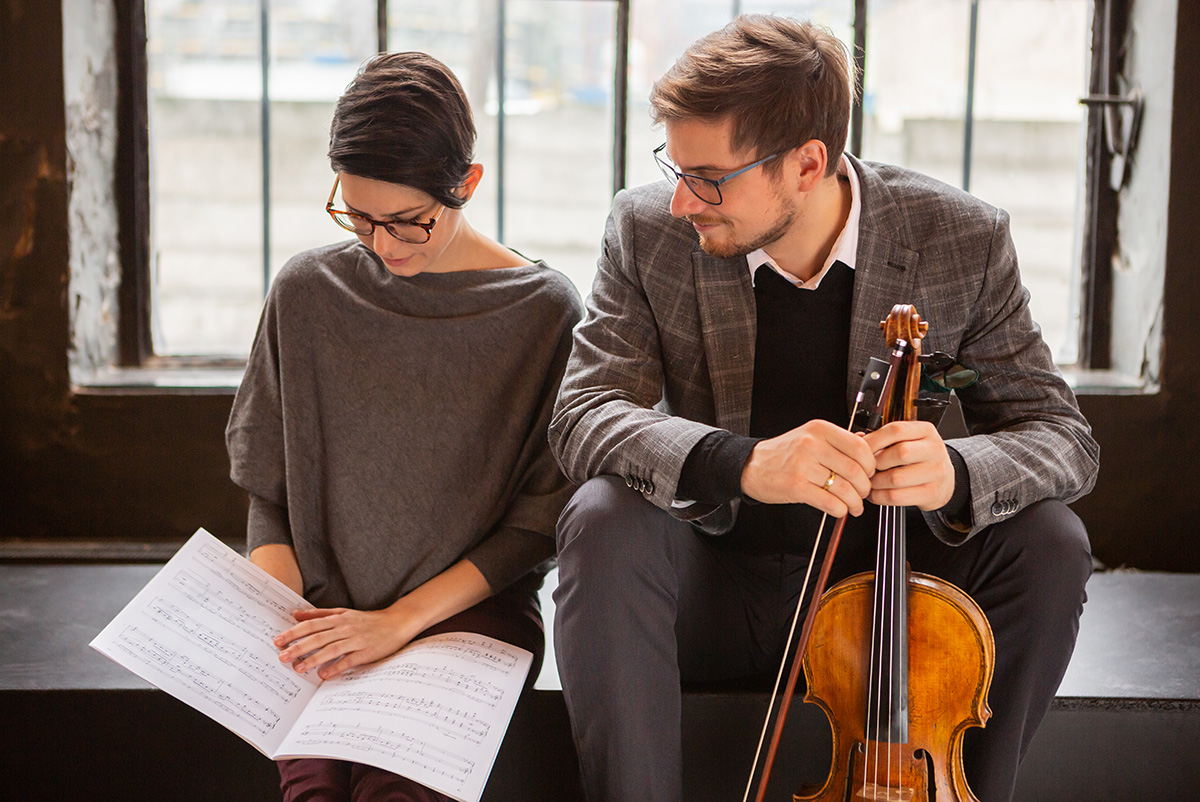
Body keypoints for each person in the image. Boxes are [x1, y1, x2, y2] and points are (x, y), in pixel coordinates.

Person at [548, 14, 1098, 802]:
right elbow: (584, 413)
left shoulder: (959, 237)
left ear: (807, 164)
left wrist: (954, 472)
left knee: (1051, 540)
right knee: (602, 518)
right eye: (675, 165)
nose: (679, 201)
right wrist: (742, 462)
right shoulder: (644, 232)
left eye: (707, 177)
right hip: (714, 585)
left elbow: (1063, 439)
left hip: (887, 602)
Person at [225, 51, 583, 801]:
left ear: (469, 185)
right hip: (319, 614)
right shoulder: (306, 290)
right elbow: (271, 493)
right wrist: (282, 615)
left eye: (409, 222)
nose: (383, 247)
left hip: (463, 620)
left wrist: (394, 624)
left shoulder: (543, 312)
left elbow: (535, 529)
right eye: (357, 217)